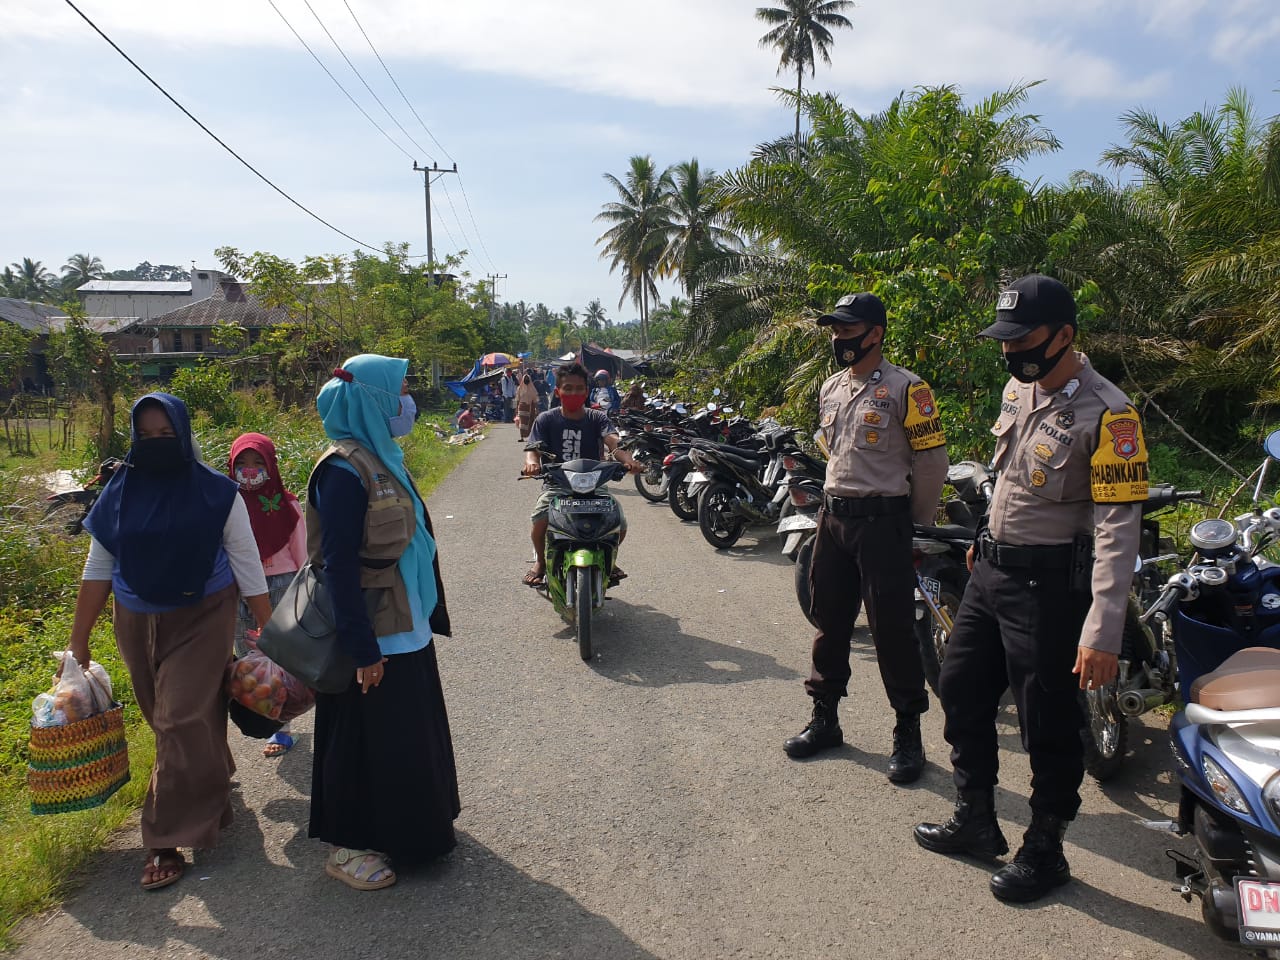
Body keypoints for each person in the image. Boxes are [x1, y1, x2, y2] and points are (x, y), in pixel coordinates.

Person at [913, 275, 1148, 903]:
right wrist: (983, 537)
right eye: (1004, 340)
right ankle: (978, 818)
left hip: (1049, 588)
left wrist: (1103, 627)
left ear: (1065, 335)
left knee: (1046, 719)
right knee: (960, 684)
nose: (1010, 352)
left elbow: (1118, 529)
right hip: (991, 571)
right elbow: (1009, 476)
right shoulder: (1018, 390)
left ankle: (1045, 848)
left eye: (1023, 339)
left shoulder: (1111, 413)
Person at [69, 393, 271, 891]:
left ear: (183, 436)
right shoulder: (119, 490)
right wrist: (79, 641)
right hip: (136, 617)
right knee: (166, 718)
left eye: (167, 435)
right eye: (147, 436)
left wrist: (269, 631)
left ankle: (165, 837)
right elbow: (100, 566)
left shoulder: (216, 492)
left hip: (204, 614)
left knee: (176, 718)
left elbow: (246, 561)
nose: (157, 444)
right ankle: (212, 773)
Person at [783, 292, 948, 787]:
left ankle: (908, 732)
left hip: (884, 523)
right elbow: (832, 450)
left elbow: (931, 462)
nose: (839, 338)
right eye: (835, 330)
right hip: (834, 520)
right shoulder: (831, 387)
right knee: (828, 621)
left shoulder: (909, 389)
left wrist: (911, 522)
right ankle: (825, 719)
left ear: (875, 333)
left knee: (892, 630)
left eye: (848, 329)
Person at [307, 354, 458, 891]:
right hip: (372, 630)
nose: (406, 404)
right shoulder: (343, 471)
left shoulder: (382, 457)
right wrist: (361, 647)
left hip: (405, 622)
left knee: (404, 734)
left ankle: (413, 831)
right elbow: (339, 567)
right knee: (363, 737)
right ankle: (347, 846)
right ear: (372, 402)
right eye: (396, 395)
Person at [520, 362, 641, 586]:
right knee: (540, 520)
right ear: (558, 391)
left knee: (618, 523)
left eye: (578, 388)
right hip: (557, 484)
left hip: (594, 484)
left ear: (586, 391)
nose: (573, 393)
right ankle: (541, 563)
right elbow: (532, 450)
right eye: (568, 388)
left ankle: (608, 558)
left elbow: (613, 442)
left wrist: (628, 460)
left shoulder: (597, 419)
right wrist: (531, 464)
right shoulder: (546, 419)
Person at [227, 432, 308, 758]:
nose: (249, 470)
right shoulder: (225, 503)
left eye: (258, 463)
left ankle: (281, 728)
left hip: (280, 588)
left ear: (271, 465)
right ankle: (255, 716)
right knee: (246, 663)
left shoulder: (286, 504)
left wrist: (305, 599)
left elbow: (303, 556)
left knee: (279, 661)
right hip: (237, 592)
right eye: (241, 463)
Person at [515, 373, 539, 442]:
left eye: (527, 379)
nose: (526, 380)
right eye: (525, 379)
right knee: (522, 423)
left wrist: (537, 409)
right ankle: (522, 437)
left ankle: (530, 437)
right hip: (522, 407)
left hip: (530, 408)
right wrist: (516, 408)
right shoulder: (520, 388)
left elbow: (535, 400)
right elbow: (517, 399)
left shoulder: (533, 388)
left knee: (530, 423)